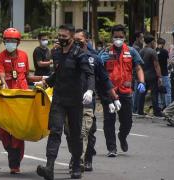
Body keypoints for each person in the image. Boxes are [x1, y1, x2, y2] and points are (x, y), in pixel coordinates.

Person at [35, 24, 95, 180]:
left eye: (64, 36)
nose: (61, 39)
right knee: (55, 131)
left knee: (75, 135)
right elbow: (57, 74)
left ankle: (76, 166)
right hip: (59, 100)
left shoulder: (79, 55)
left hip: (75, 101)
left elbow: (90, 75)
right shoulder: (56, 53)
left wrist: (89, 90)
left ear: (72, 37)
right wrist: (46, 83)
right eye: (59, 35)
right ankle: (49, 168)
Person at [0, 27, 44, 174]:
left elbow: (27, 77)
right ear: (4, 41)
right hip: (5, 100)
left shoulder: (24, 56)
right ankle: (11, 152)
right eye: (7, 41)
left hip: (21, 101)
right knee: (2, 130)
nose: (10, 43)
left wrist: (42, 79)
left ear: (18, 42)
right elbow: (0, 74)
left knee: (18, 132)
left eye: (13, 41)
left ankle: (15, 163)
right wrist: (2, 82)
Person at [68, 29, 120, 171]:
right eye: (75, 39)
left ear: (87, 40)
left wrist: (114, 98)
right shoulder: (68, 56)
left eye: (80, 39)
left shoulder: (94, 58)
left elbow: (104, 79)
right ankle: (76, 156)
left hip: (87, 101)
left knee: (88, 131)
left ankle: (85, 159)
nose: (77, 42)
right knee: (71, 133)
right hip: (71, 101)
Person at [100, 24, 145, 157]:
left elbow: (138, 68)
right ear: (111, 37)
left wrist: (141, 82)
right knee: (109, 121)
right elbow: (97, 70)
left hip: (125, 92)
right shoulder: (105, 52)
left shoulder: (131, 51)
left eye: (121, 37)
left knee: (127, 121)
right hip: (109, 92)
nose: (118, 39)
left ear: (124, 37)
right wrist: (100, 61)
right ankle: (112, 148)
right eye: (116, 37)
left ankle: (122, 136)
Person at [138, 34, 163, 117]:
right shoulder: (153, 51)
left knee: (142, 94)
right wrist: (159, 76)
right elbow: (156, 65)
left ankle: (140, 111)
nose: (155, 43)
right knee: (154, 93)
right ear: (152, 42)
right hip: (152, 75)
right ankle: (156, 111)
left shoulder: (141, 51)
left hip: (142, 75)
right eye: (154, 42)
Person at [156, 38, 171, 110]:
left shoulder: (154, 51)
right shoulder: (165, 51)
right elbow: (168, 61)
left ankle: (159, 107)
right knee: (167, 91)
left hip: (156, 74)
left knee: (158, 91)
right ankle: (168, 108)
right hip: (164, 73)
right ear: (163, 44)